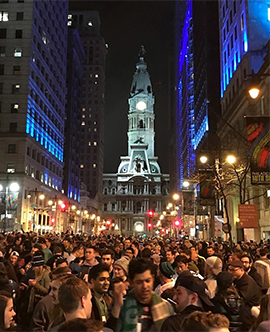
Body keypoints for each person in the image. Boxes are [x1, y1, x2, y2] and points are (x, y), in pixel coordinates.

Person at [118, 258, 174, 332]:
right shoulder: (121, 308)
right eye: (139, 282)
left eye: (148, 281)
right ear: (131, 282)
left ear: (153, 279)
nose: (145, 286)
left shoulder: (166, 307)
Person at [228, 260, 261, 326]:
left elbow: (242, 299)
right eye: (229, 270)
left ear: (242, 270)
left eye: (234, 270)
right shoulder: (236, 279)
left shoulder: (247, 282)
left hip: (250, 308)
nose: (231, 272)